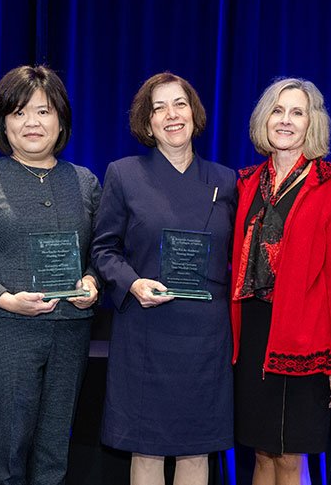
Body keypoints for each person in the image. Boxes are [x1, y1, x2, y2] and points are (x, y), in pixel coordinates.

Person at [0, 65, 101, 485]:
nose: (32, 122)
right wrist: (3, 298)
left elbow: (100, 254)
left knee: (54, 452)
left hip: (70, 332)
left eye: (43, 111)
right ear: (4, 123)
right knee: (6, 452)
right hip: (7, 334)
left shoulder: (84, 182)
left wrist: (93, 282)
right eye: (19, 113)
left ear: (61, 119)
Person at [90, 72, 236, 485]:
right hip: (146, 330)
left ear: (194, 113)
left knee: (196, 449)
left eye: (180, 104)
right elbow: (103, 250)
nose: (171, 115)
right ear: (147, 122)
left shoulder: (226, 181)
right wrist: (133, 283)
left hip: (205, 335)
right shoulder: (124, 174)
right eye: (159, 108)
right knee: (147, 448)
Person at [229, 78, 331, 485]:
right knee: (261, 453)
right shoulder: (246, 182)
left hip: (302, 340)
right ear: (263, 119)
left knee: (288, 457)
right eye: (277, 111)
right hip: (251, 337)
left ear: (311, 124)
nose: (285, 120)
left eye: (296, 112)